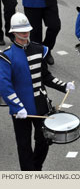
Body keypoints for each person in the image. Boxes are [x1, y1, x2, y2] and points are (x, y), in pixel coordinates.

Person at [0, 12, 75, 171]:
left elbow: (46, 77)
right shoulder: (7, 56)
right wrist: (17, 107)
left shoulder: (39, 49)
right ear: (13, 33)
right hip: (21, 109)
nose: (25, 33)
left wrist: (64, 85)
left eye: (26, 30)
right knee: (24, 145)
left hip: (41, 105)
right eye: (21, 31)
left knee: (44, 140)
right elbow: (5, 86)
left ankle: (36, 167)